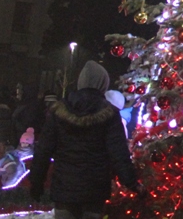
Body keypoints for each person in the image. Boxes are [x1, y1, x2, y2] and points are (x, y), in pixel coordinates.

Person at [29, 61, 142, 216]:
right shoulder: (109, 114)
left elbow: (43, 151)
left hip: (64, 189)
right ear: (103, 84)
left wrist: (36, 183)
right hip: (94, 191)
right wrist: (132, 183)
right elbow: (118, 153)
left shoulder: (58, 112)